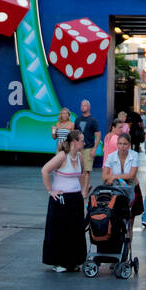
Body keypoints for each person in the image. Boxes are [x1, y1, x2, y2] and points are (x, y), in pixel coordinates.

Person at [41, 129, 87, 273]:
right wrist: (50, 190)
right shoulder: (62, 156)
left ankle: (73, 262)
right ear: (74, 142)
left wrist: (83, 189)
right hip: (61, 199)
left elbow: (84, 173)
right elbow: (44, 170)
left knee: (76, 231)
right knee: (61, 230)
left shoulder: (79, 157)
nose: (84, 143)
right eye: (82, 140)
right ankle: (59, 262)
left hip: (75, 199)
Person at [103, 132, 142, 251]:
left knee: (129, 222)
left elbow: (132, 175)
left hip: (132, 190)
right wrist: (118, 177)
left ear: (129, 145)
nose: (122, 146)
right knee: (115, 220)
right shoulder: (111, 156)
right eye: (120, 144)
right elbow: (104, 176)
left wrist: (114, 177)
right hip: (116, 191)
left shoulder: (134, 155)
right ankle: (115, 250)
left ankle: (127, 252)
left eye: (125, 144)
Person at [78, 99, 101, 197]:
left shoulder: (93, 120)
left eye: (85, 105)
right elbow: (76, 134)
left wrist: (95, 149)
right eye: (81, 105)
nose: (83, 107)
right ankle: (87, 186)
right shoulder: (78, 120)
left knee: (86, 171)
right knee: (79, 171)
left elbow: (98, 135)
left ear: (89, 107)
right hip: (79, 149)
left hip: (88, 148)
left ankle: (84, 191)